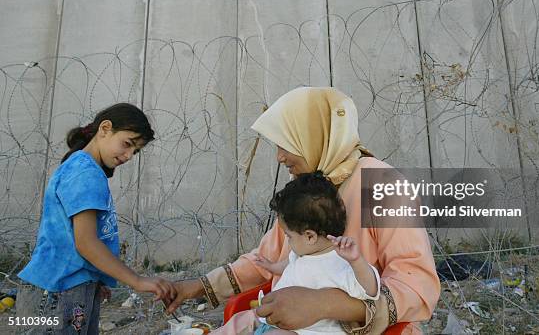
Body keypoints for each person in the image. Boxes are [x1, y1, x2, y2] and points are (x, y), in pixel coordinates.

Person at [168, 87, 440, 334]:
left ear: (313, 134)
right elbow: (265, 260)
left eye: (287, 143)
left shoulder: (384, 184)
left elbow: (416, 283)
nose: (280, 157)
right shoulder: (306, 189)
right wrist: (198, 287)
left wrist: (326, 303)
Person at [16, 103, 176, 334]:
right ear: (105, 128)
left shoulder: (83, 168)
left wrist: (94, 278)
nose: (129, 156)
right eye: (128, 144)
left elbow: (70, 239)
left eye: (136, 151)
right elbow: (86, 242)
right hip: (56, 294)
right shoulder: (86, 173)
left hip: (68, 288)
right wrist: (138, 281)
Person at [252, 171, 380, 335]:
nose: (288, 241)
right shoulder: (302, 253)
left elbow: (370, 290)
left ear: (310, 236)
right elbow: (289, 265)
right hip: (278, 325)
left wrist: (357, 261)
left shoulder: (339, 263)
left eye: (289, 236)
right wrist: (272, 267)